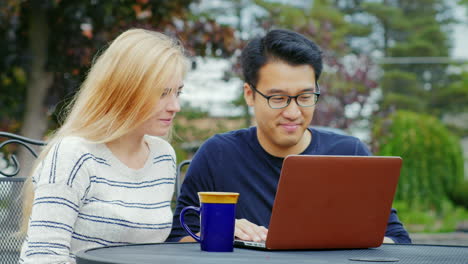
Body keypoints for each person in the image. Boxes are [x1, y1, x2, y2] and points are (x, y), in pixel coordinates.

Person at [168, 29, 411, 244]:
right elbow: (178, 238)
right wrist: (220, 231)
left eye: (305, 97)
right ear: (250, 95)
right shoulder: (218, 155)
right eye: (278, 98)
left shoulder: (350, 153)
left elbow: (397, 239)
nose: (293, 113)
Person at [19, 28, 188, 263]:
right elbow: (43, 258)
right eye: (162, 93)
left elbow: (152, 251)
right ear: (125, 92)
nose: (175, 106)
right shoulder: (74, 155)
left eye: (178, 92)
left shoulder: (162, 156)